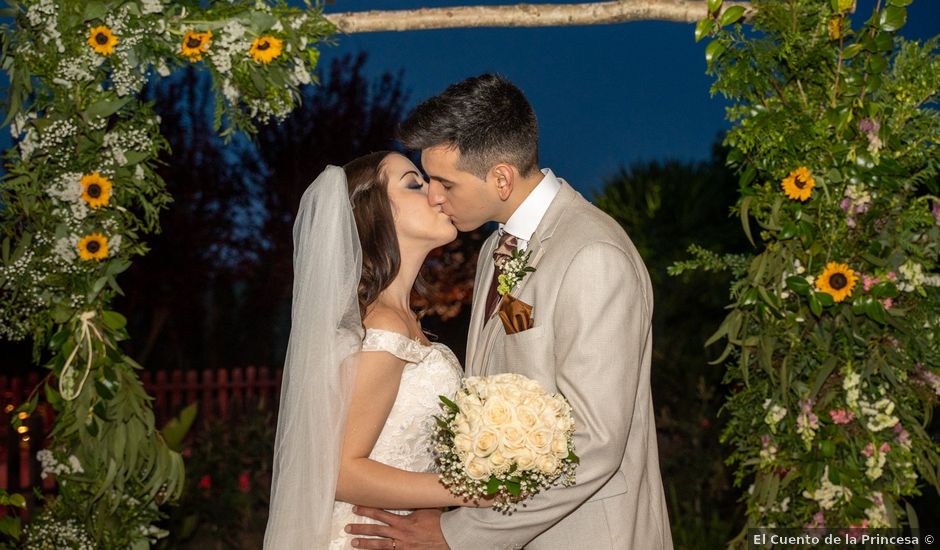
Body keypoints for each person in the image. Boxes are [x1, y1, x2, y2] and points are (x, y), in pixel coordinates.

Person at [348, 74, 673, 549]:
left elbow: (596, 443)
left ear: (501, 177)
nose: (435, 197)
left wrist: (458, 533)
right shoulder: (493, 250)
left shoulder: (591, 254)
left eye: (444, 183)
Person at [263, 151, 490, 550]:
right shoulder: (384, 325)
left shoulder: (398, 318)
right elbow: (340, 473)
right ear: (376, 214)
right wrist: (473, 490)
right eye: (414, 183)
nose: (437, 194)